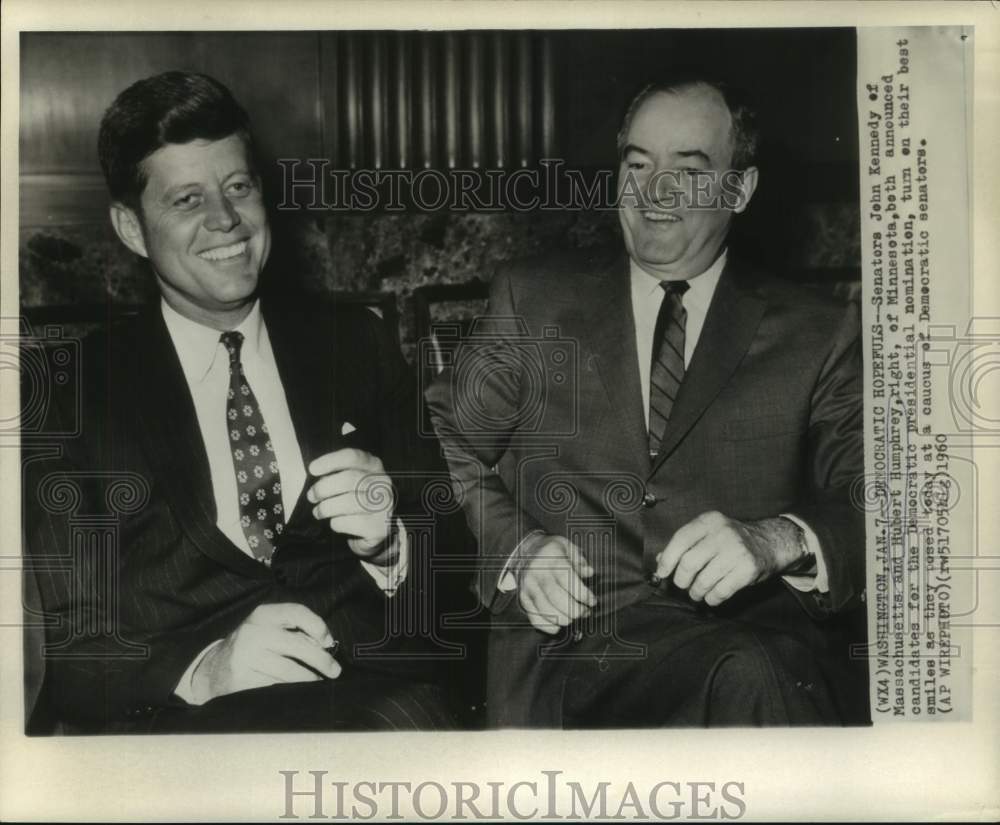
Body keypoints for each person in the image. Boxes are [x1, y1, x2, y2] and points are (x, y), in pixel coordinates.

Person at [426, 75, 868, 727]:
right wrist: (519, 547)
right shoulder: (534, 298)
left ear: (739, 189)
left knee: (753, 669)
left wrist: (777, 539)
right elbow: (446, 439)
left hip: (750, 652)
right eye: (637, 164)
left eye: (687, 170)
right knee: (752, 673)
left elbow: (877, 497)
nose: (654, 191)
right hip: (572, 652)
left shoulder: (818, 332)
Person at [23, 71, 458, 732]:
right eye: (187, 199)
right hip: (183, 733)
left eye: (238, 187)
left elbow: (458, 585)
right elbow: (65, 644)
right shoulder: (70, 389)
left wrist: (391, 546)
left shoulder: (356, 344)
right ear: (132, 229)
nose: (224, 220)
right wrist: (204, 670)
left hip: (374, 711)